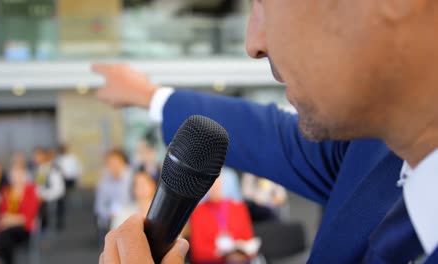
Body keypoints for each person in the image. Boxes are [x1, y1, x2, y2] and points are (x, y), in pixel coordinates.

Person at [94, 0, 438, 263]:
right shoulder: (370, 148)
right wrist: (150, 97)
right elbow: (274, 138)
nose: (253, 43)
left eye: (264, 2)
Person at [189, 176, 260, 263]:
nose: (215, 187)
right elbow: (197, 252)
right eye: (211, 184)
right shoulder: (198, 212)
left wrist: (238, 253)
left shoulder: (239, 208)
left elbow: (249, 241)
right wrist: (220, 254)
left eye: (218, 183)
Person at [0, 164, 40, 264]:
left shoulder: (31, 190)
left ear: (24, 176)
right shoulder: (6, 191)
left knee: (4, 235)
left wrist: (11, 219)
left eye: (19, 175)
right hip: (7, 228)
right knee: (1, 235)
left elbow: (30, 215)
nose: (17, 178)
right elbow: (1, 212)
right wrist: (5, 220)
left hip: (24, 229)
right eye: (14, 176)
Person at [94, 149, 134, 241]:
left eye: (116, 162)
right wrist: (108, 213)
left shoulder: (132, 177)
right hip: (111, 217)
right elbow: (99, 206)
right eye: (110, 163)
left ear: (123, 162)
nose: (114, 166)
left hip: (131, 213)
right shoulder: (103, 182)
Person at [32, 148, 65, 233]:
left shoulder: (54, 169)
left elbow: (59, 190)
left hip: (50, 206)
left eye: (37, 156)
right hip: (40, 204)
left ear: (44, 156)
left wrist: (44, 196)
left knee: (47, 230)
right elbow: (39, 186)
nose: (35, 158)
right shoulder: (40, 169)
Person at [55, 144, 82, 231]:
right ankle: (60, 220)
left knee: (63, 197)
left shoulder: (72, 158)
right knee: (61, 198)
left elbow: (77, 168)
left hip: (70, 180)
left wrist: (77, 178)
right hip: (61, 180)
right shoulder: (58, 159)